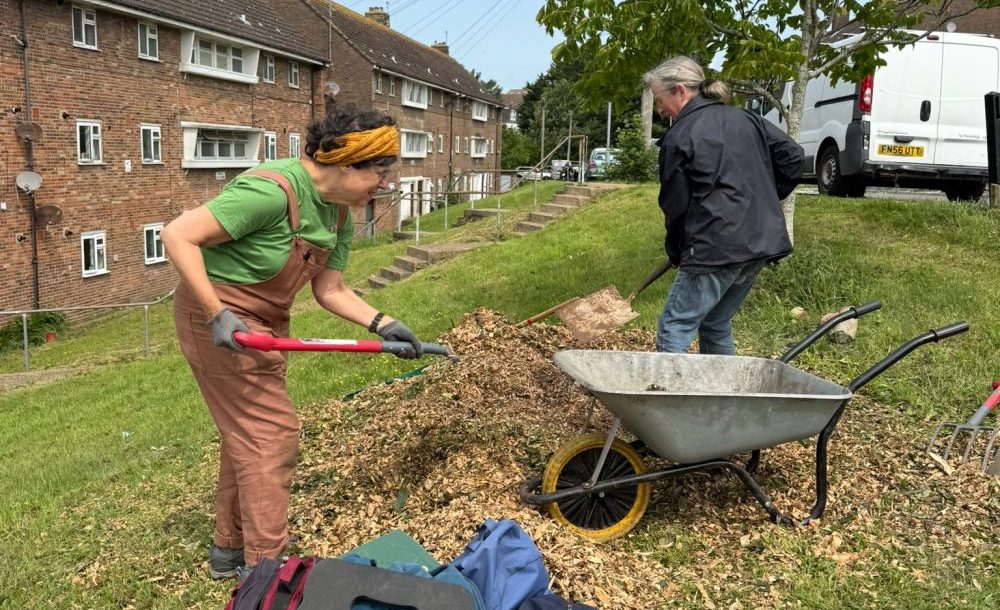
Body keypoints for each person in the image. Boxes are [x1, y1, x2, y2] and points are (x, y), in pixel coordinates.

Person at [162, 105, 424, 580]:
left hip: (265, 326)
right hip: (217, 322)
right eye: (380, 173)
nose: (384, 184)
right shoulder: (270, 191)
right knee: (271, 435)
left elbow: (331, 290)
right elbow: (178, 235)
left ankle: (229, 550)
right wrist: (215, 313)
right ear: (348, 165)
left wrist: (383, 322)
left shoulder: (339, 217)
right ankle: (264, 572)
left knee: (247, 434)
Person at [644, 56, 804, 355]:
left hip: (715, 246)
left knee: (674, 325)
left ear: (679, 90)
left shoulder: (678, 137)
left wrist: (678, 250)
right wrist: (761, 200)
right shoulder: (746, 119)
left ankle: (670, 400)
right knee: (715, 322)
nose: (659, 109)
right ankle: (721, 399)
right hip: (759, 241)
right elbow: (793, 158)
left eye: (659, 98)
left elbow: (675, 206)